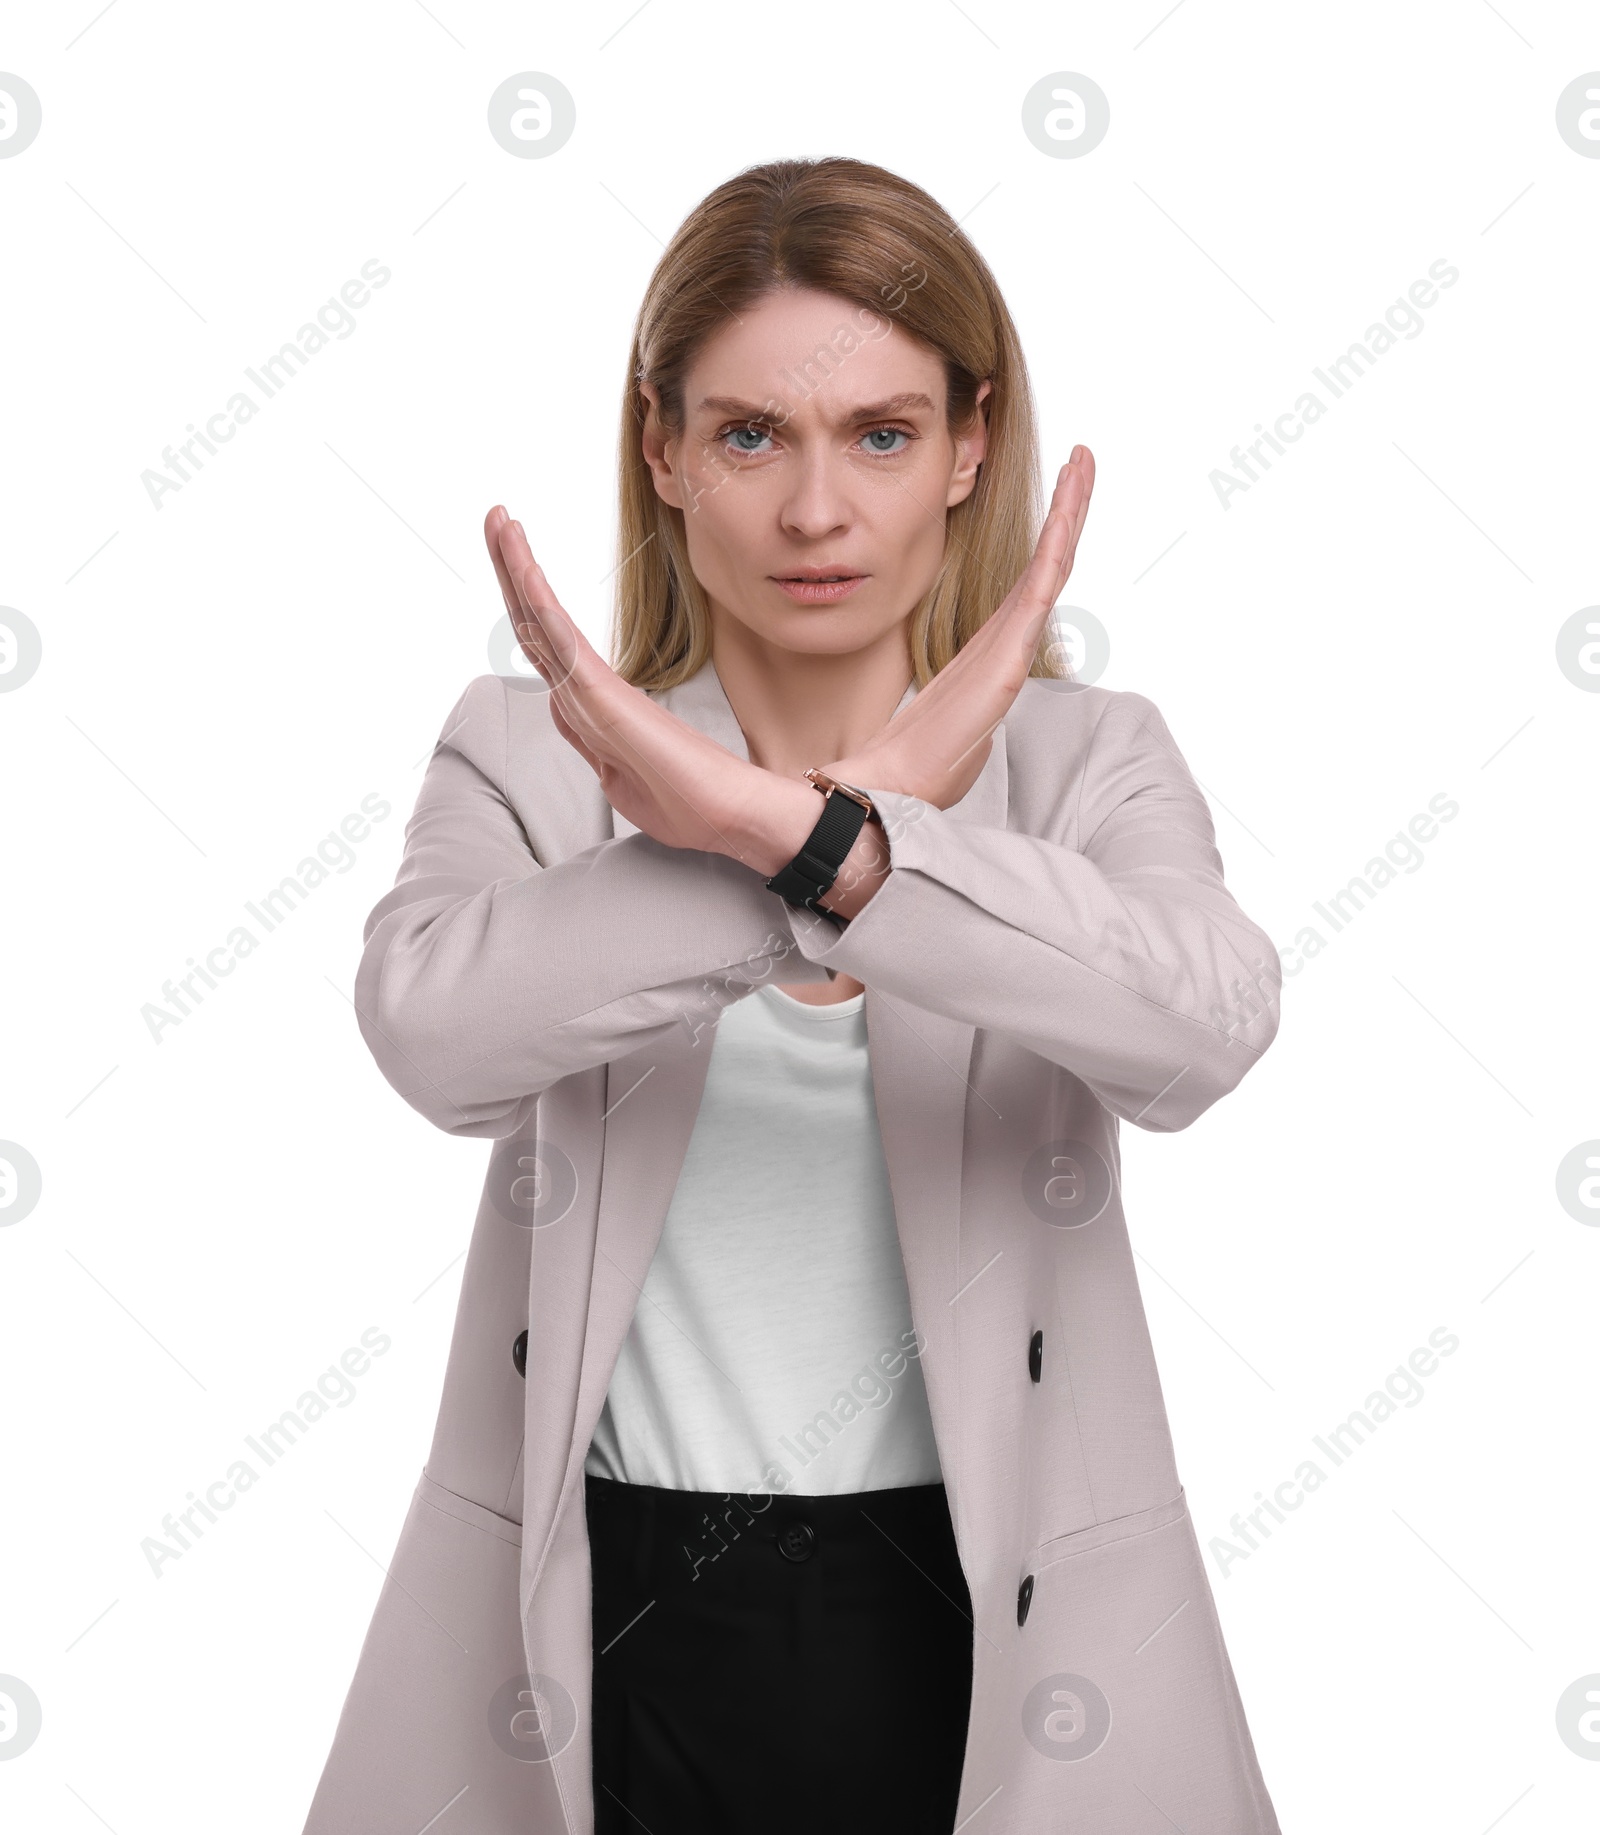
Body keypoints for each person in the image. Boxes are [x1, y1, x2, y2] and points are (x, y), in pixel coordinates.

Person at [304, 156, 1285, 1835]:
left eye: (882, 436)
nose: (816, 511)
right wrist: (798, 851)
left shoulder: (1085, 760)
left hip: (997, 1602)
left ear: (973, 448)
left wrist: (832, 841)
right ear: (664, 452)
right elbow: (433, 1035)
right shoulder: (529, 754)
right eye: (753, 434)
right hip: (619, 1614)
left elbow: (1202, 1031)